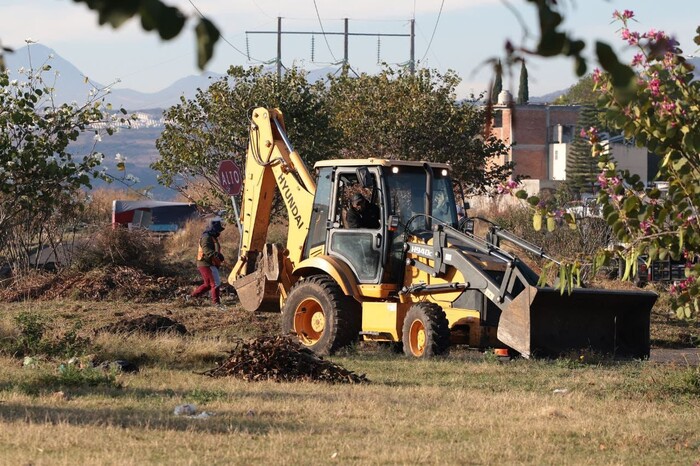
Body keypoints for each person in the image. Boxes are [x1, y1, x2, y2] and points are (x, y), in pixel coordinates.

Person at [191, 218, 225, 306]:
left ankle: (191, 297)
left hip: (207, 263)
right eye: (218, 230)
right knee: (215, 283)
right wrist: (217, 255)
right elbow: (207, 250)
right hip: (206, 263)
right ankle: (216, 303)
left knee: (207, 285)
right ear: (213, 230)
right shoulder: (206, 238)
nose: (219, 233)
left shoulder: (211, 237)